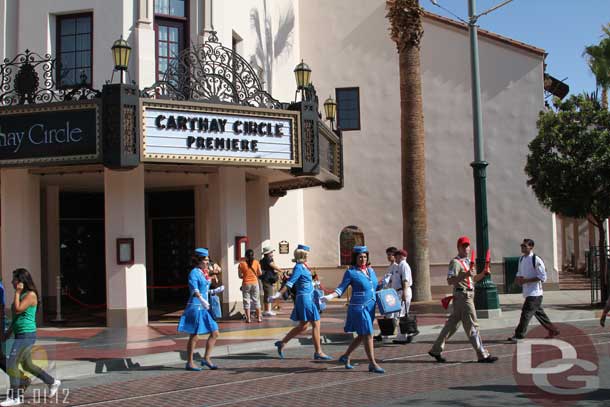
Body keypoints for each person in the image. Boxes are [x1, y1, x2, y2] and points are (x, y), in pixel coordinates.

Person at [428, 236, 498, 364]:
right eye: (463, 246)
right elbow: (450, 280)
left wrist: (483, 273)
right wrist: (465, 274)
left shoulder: (467, 262)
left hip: (467, 296)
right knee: (472, 325)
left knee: (451, 326)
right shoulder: (455, 262)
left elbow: (472, 279)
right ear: (458, 247)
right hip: (463, 298)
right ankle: (482, 354)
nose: (466, 248)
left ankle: (436, 349)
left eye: (467, 246)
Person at [1, 268, 61, 407]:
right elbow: (16, 316)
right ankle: (52, 382)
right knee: (28, 365)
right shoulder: (21, 294)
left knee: (12, 364)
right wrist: (8, 333)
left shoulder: (30, 295)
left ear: (21, 281)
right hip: (20, 334)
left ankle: (15, 397)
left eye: (14, 279)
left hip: (27, 335)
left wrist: (17, 292)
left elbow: (18, 309)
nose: (11, 282)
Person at [322, 246, 385, 373]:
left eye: (365, 257)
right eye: (360, 257)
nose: (363, 259)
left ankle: (346, 356)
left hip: (371, 307)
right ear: (355, 258)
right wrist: (329, 296)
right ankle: (372, 363)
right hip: (359, 307)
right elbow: (341, 288)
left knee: (362, 334)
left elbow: (375, 286)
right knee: (368, 334)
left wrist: (383, 283)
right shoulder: (351, 272)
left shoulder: (371, 271)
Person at [269, 244, 332, 360]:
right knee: (316, 323)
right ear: (303, 254)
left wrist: (314, 283)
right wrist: (278, 294)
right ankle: (318, 352)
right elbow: (290, 283)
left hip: (308, 297)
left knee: (303, 326)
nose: (308, 256)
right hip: (305, 298)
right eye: (306, 254)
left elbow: (303, 281)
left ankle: (282, 343)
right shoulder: (299, 267)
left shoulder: (303, 266)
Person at [178, 248, 224, 371]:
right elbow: (195, 289)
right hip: (196, 306)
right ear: (199, 261)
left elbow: (205, 290)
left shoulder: (204, 272)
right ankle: (190, 362)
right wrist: (202, 300)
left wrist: (214, 291)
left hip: (205, 307)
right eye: (205, 260)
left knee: (215, 332)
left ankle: (206, 358)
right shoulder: (194, 273)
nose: (207, 263)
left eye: (208, 260)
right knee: (194, 335)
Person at [508, 239, 559, 342]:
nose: (522, 247)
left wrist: (526, 280)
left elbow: (542, 276)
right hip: (527, 292)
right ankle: (553, 330)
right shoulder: (521, 259)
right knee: (539, 313)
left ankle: (519, 335)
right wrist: (516, 282)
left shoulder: (536, 259)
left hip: (535, 293)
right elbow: (519, 272)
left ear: (531, 247)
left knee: (525, 314)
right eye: (521, 245)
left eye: (524, 246)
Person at [391, 249, 418, 344]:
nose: (395, 258)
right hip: (401, 291)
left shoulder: (403, 265)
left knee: (401, 314)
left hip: (403, 291)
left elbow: (405, 280)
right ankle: (405, 334)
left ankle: (404, 335)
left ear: (400, 256)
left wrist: (404, 293)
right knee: (402, 314)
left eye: (396, 256)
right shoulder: (400, 266)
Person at [374, 247, 398, 342]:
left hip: (394, 292)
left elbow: (392, 279)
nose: (388, 257)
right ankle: (386, 331)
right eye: (387, 255)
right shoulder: (390, 266)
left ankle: (388, 331)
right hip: (388, 292)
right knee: (388, 312)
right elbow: (386, 279)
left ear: (394, 255)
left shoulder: (396, 266)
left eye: (390, 255)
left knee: (392, 313)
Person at [238, 249, 263, 323]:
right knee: (256, 300)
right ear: (253, 255)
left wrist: (245, 276)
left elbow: (240, 275)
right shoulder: (256, 262)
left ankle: (248, 318)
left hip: (246, 283)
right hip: (255, 283)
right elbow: (260, 273)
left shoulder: (241, 264)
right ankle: (259, 318)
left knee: (246, 301)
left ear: (245, 256)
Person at [260, 244, 282, 317]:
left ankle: (267, 309)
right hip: (267, 279)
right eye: (271, 252)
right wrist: (280, 270)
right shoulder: (268, 259)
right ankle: (267, 310)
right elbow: (273, 265)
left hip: (266, 279)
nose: (272, 253)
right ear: (268, 253)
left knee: (268, 294)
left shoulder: (263, 260)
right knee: (268, 294)